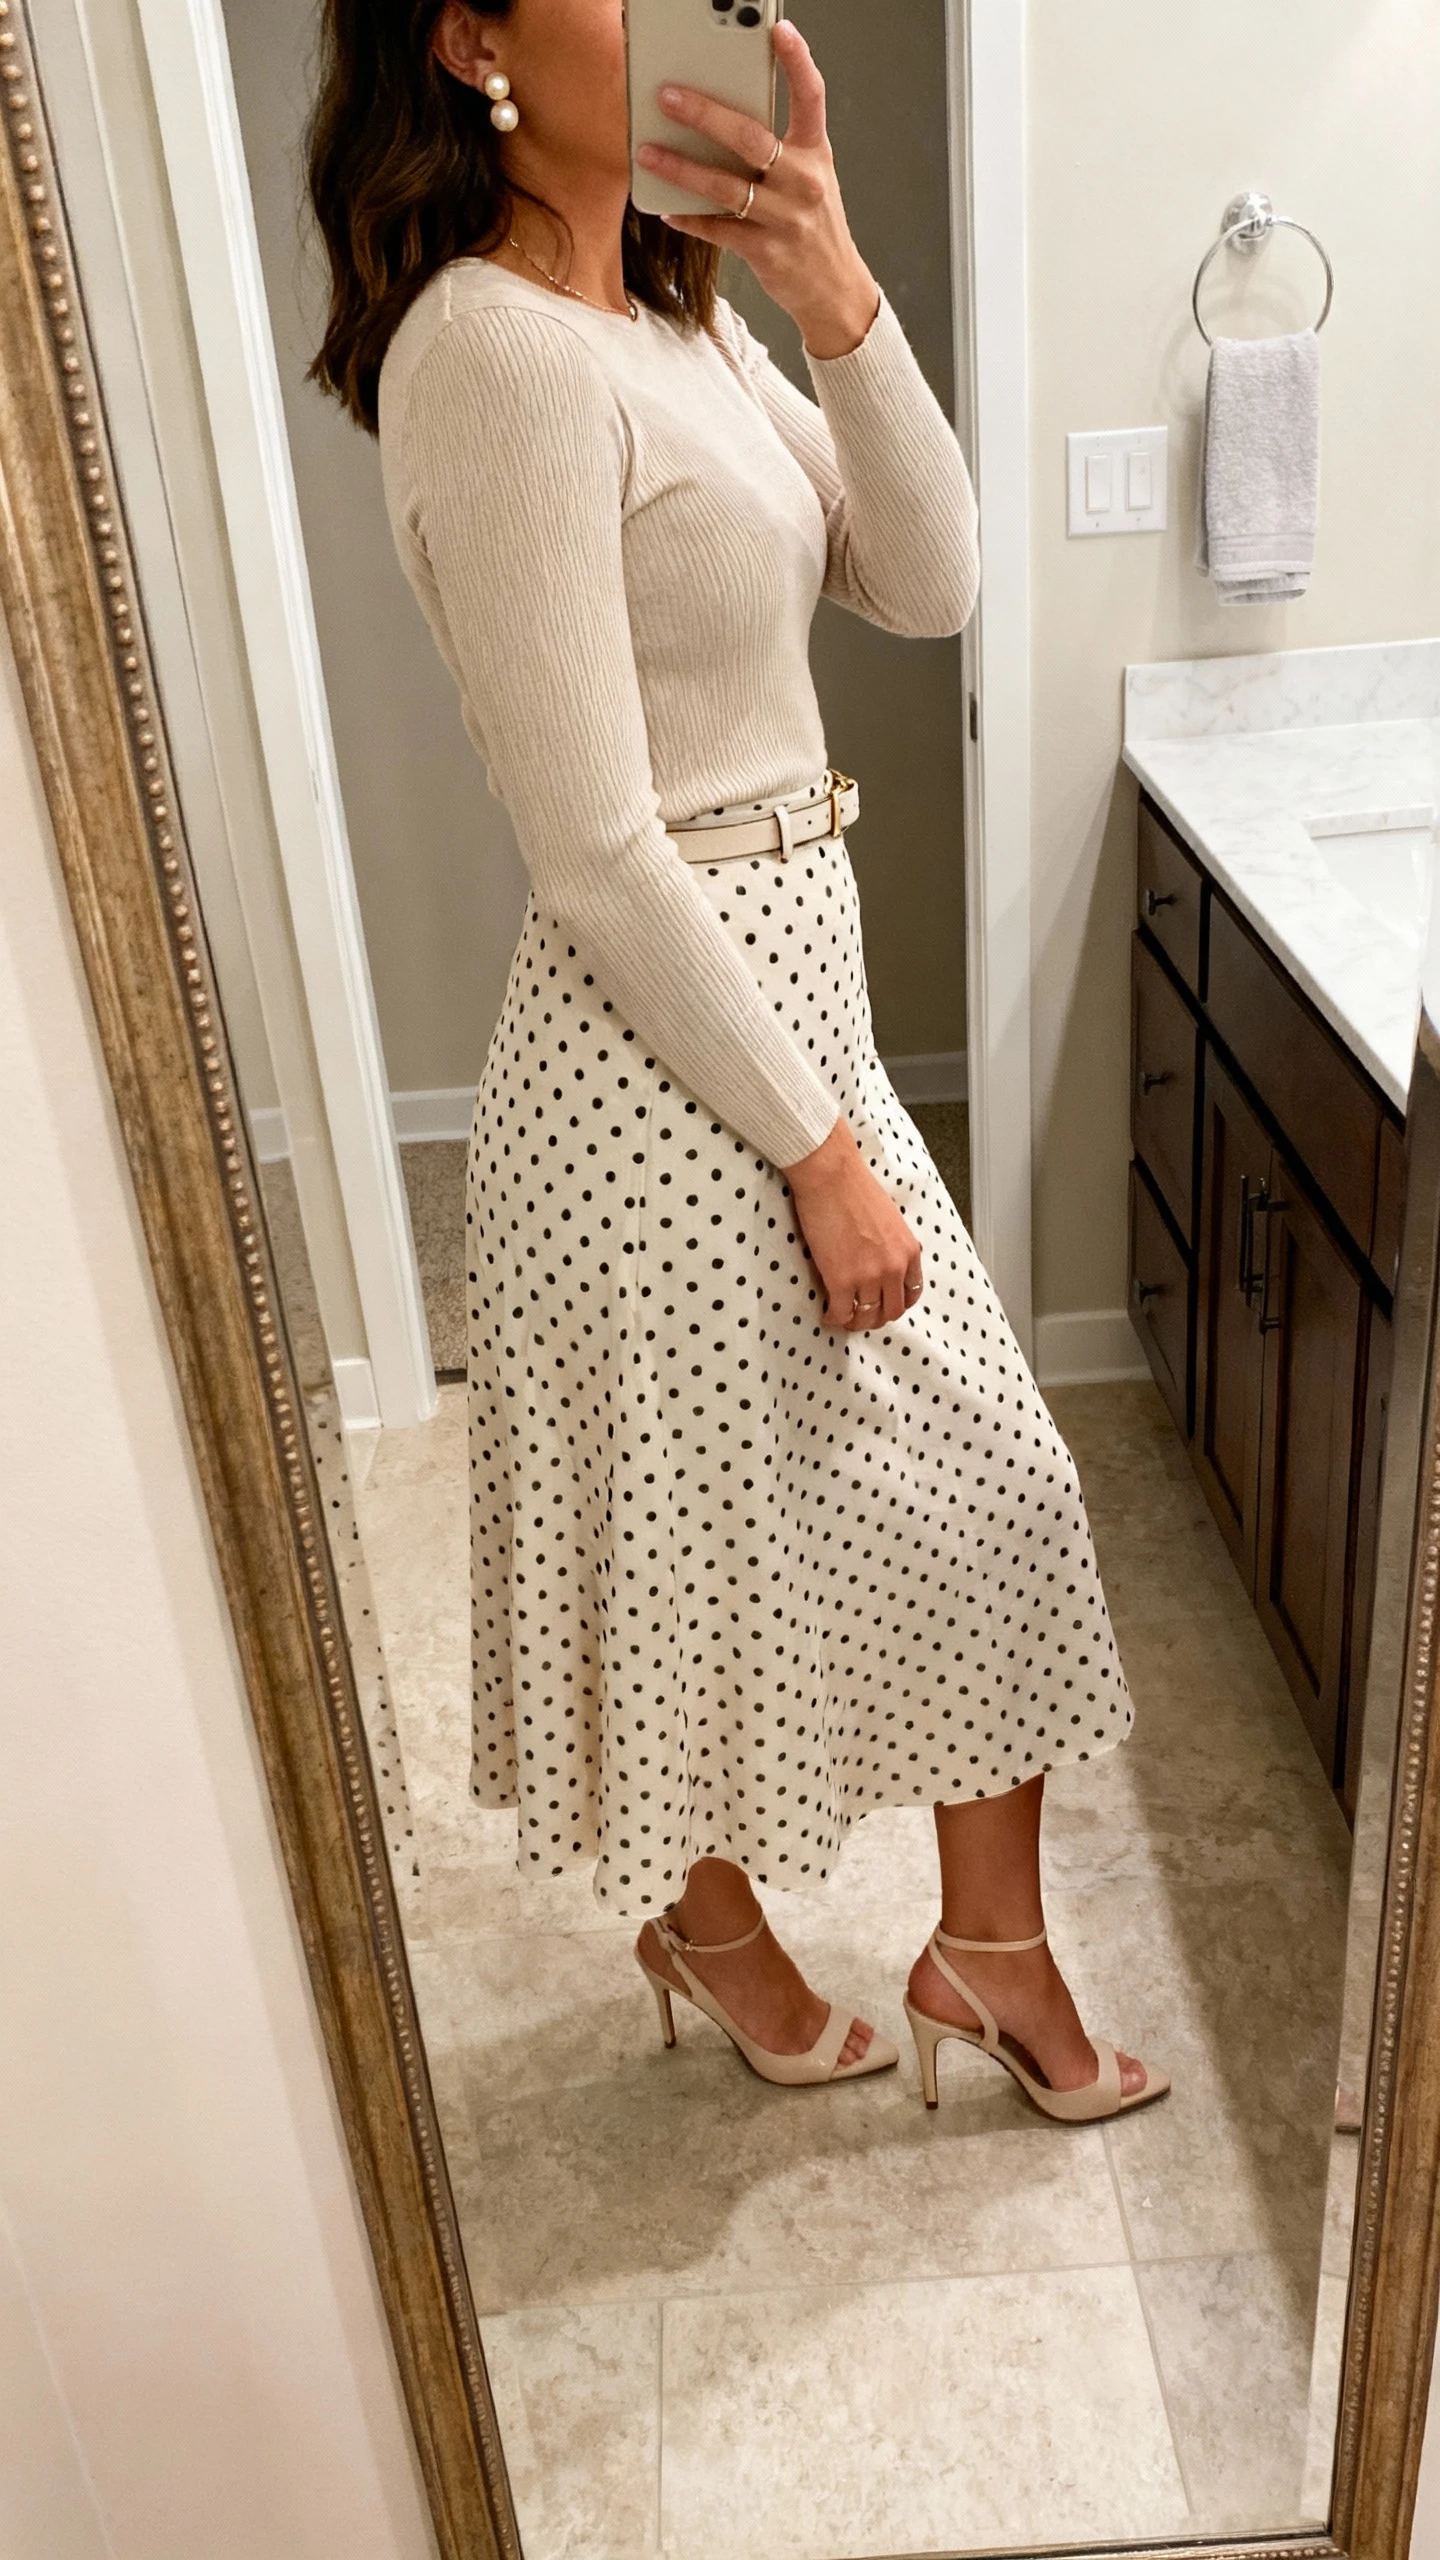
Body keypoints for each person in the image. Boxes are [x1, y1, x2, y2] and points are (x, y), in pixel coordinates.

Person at [308, 0, 1167, 2120]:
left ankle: (989, 1952)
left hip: (798, 1026)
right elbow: (593, 839)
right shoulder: (489, 352)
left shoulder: (682, 332)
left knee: (987, 1497)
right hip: (656, 1081)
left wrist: (832, 282)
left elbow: (936, 580)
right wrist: (820, 1146)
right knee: (690, 1541)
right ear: (476, 39)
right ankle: (713, 1917)